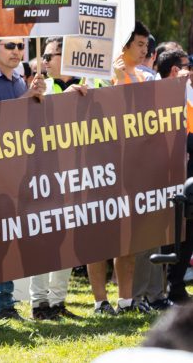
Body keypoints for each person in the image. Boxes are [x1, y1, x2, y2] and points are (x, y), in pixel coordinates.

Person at [0, 28, 45, 320]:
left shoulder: (18, 81)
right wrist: (29, 95)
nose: (16, 50)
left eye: (20, 46)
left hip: (15, 172)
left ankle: (4, 303)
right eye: (10, 45)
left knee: (9, 239)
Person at [89, 22, 152, 315]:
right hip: (103, 168)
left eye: (146, 45)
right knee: (100, 239)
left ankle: (126, 300)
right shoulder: (100, 78)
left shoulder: (144, 78)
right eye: (139, 44)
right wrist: (115, 82)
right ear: (125, 45)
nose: (145, 50)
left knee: (129, 240)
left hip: (134, 168)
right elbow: (102, 119)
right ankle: (100, 301)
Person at [28, 37, 85, 321]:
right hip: (43, 173)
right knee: (43, 238)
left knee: (67, 238)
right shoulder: (40, 87)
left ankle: (58, 300)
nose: (46, 61)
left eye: (51, 56)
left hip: (75, 173)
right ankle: (39, 303)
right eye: (45, 56)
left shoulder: (87, 86)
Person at [157, 49, 192, 305]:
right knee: (170, 233)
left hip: (188, 172)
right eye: (186, 65)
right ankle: (165, 287)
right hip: (166, 174)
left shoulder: (187, 93)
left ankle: (177, 286)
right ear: (173, 70)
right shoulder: (157, 94)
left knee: (188, 231)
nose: (189, 70)